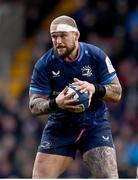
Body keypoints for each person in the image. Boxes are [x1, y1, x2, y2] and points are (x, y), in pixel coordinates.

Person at [29, 15, 122, 178]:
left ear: (76, 35)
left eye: (63, 35)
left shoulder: (96, 56)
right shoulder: (44, 64)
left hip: (94, 124)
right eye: (54, 37)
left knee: (108, 177)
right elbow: (34, 104)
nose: (58, 41)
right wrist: (55, 103)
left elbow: (117, 92)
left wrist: (94, 88)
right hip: (60, 125)